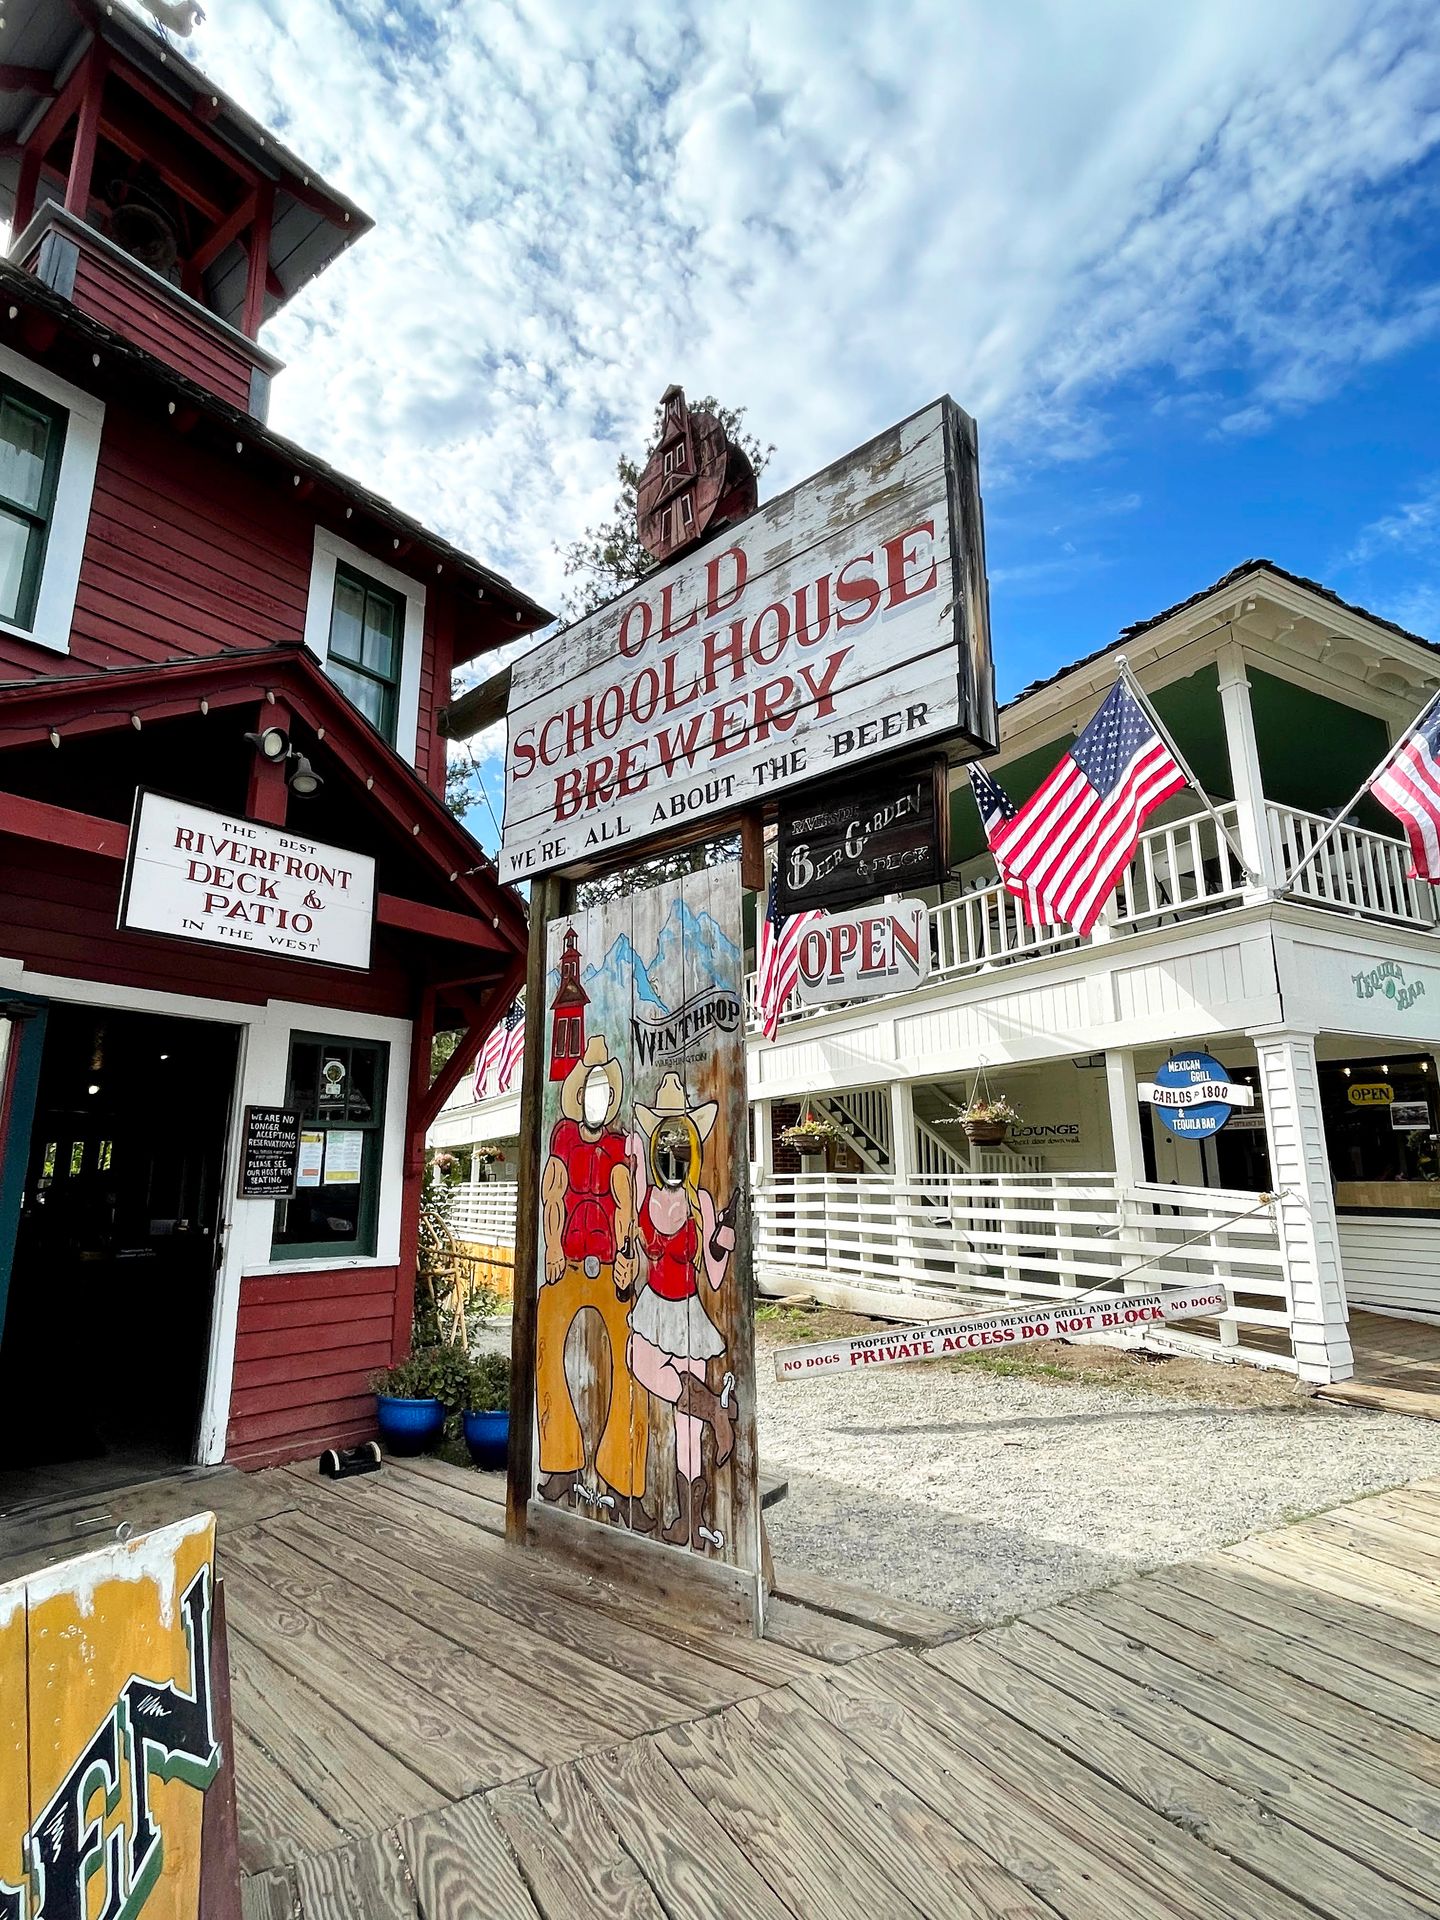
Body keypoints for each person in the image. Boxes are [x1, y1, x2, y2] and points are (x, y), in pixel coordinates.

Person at [537, 1036, 651, 1529]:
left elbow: (626, 1208)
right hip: (567, 1266)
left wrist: (629, 1259)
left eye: (608, 1090)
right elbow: (553, 1195)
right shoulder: (562, 1139)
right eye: (592, 1089)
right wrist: (555, 1246)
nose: (600, 1098)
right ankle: (560, 1462)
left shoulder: (620, 1146)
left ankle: (624, 1481)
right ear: (580, 1095)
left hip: (607, 1267)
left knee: (631, 1364)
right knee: (546, 1350)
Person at [627, 1072, 738, 1552]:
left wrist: (725, 1245)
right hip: (653, 1305)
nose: (673, 1153)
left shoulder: (703, 1203)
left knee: (685, 1428)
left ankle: (689, 1524)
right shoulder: (643, 1193)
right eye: (664, 1141)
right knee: (639, 1360)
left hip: (688, 1311)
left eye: (681, 1143)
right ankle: (716, 1408)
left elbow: (713, 1275)